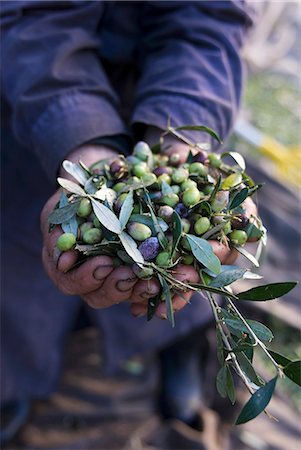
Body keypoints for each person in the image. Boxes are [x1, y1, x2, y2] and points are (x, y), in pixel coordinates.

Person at [1, 1, 257, 445]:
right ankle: (15, 382)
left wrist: (183, 131)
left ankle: (168, 350)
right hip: (33, 99)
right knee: (24, 277)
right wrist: (80, 135)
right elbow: (32, 19)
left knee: (175, 277)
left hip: (166, 114)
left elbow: (210, 18)